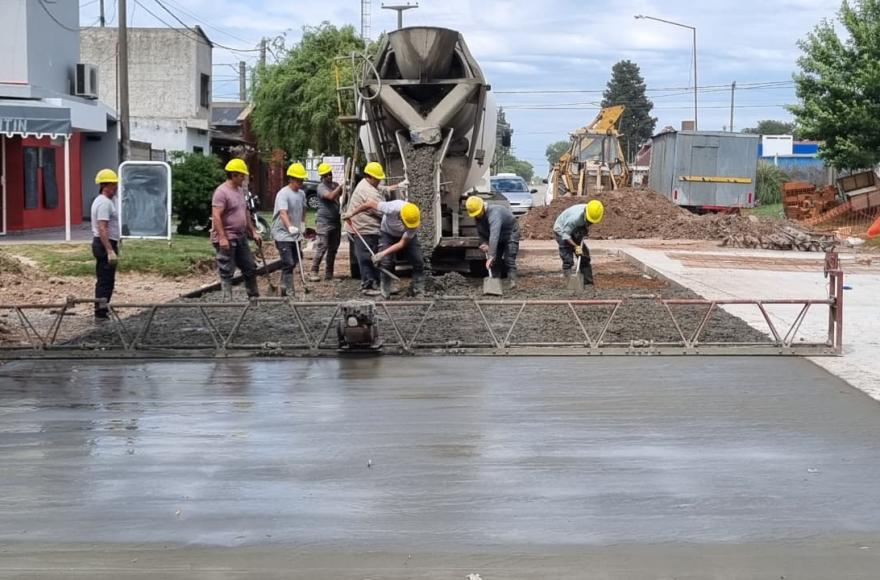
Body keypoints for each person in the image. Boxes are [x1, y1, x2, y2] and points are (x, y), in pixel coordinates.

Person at [343, 162, 405, 296]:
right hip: (363, 228)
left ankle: (378, 283)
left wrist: (397, 186)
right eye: (377, 178)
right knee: (366, 257)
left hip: (371, 227)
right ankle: (368, 285)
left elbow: (382, 189)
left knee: (375, 256)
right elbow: (380, 210)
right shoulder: (366, 191)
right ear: (369, 176)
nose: (379, 181)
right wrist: (396, 212)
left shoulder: (369, 184)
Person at [346, 198, 423, 299]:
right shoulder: (392, 208)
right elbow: (369, 203)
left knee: (418, 260)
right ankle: (384, 293)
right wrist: (351, 214)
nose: (406, 226)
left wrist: (382, 253)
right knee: (386, 262)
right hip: (387, 233)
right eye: (405, 223)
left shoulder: (414, 221)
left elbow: (401, 244)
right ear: (400, 216)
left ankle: (417, 289)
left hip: (404, 238)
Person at [212, 158, 261, 300]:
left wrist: (252, 231)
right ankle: (227, 300)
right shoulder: (221, 192)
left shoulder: (240, 191)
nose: (244, 178)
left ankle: (254, 297)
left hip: (240, 236)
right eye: (241, 176)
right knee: (227, 269)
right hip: (227, 237)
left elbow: (244, 212)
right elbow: (216, 216)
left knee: (250, 267)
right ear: (233, 175)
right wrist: (222, 237)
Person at [467, 196, 520, 288]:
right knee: (495, 262)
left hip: (510, 233)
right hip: (497, 236)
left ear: (483, 207)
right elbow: (481, 233)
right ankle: (495, 283)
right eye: (475, 214)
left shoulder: (494, 213)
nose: (477, 216)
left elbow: (494, 234)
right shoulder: (477, 217)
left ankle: (513, 282)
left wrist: (491, 255)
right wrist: (483, 243)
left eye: (478, 213)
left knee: (509, 259)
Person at [272, 162, 308, 297]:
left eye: (302, 179)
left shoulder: (302, 194)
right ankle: (289, 290)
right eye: (299, 179)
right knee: (288, 261)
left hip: (295, 234)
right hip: (282, 233)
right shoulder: (283, 194)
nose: (301, 182)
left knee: (296, 259)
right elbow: (283, 212)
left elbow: (304, 208)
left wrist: (302, 223)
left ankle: (283, 284)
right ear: (291, 179)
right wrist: (290, 226)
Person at [91, 169, 120, 320]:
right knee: (105, 280)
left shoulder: (105, 201)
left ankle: (103, 309)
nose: (116, 187)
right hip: (104, 245)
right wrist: (110, 250)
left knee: (106, 278)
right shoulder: (104, 203)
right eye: (114, 184)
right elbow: (102, 228)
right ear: (106, 185)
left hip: (104, 243)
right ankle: (101, 312)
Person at [552, 200, 605, 285]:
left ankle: (588, 282)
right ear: (585, 213)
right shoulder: (575, 219)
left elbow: (585, 224)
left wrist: (584, 230)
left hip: (575, 229)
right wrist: (576, 246)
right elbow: (565, 235)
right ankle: (570, 283)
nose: (590, 223)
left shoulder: (592, 210)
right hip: (561, 231)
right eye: (589, 221)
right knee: (567, 258)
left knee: (584, 255)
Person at [309, 163, 342, 282]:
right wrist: (341, 186)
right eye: (326, 175)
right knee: (322, 247)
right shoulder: (321, 187)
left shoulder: (335, 185)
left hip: (336, 221)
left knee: (333, 249)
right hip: (324, 222)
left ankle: (329, 274)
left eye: (330, 173)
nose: (329, 176)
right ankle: (314, 271)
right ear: (322, 176)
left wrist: (346, 187)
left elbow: (343, 196)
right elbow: (331, 196)